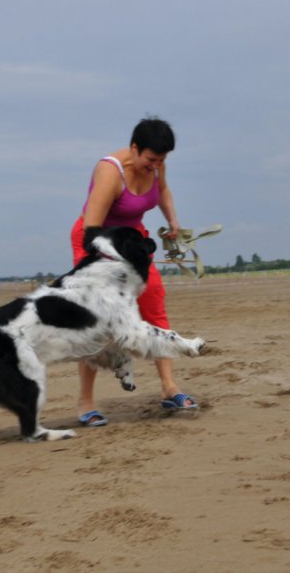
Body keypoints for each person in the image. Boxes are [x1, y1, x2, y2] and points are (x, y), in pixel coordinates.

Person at [70, 117, 198, 427]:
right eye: (151, 160)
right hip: (97, 243)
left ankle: (170, 388)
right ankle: (85, 401)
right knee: (97, 321)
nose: (155, 167)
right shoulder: (110, 172)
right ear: (134, 148)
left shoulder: (156, 166)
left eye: (162, 161)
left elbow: (163, 192)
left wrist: (173, 222)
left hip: (134, 242)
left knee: (154, 305)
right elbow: (92, 229)